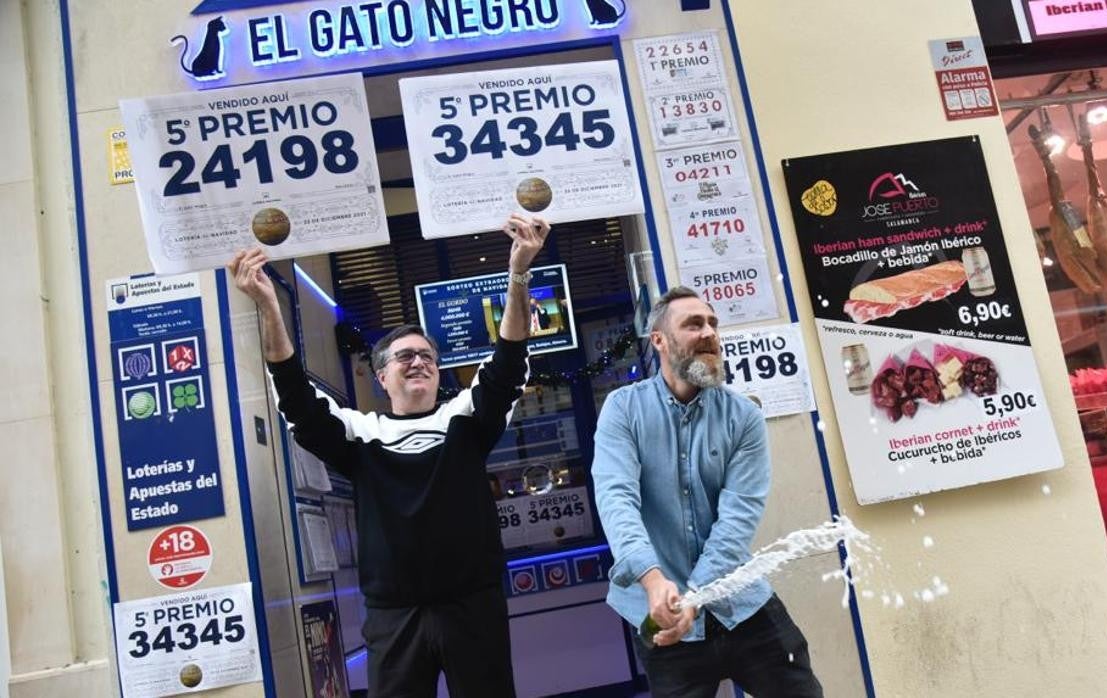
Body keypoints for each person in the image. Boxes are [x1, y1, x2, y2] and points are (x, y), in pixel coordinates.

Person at [228, 214, 551, 698]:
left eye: (427, 356)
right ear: (381, 378)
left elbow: (508, 360)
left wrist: (519, 272)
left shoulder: (467, 418)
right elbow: (295, 398)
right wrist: (269, 306)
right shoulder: (361, 433)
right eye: (404, 356)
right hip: (394, 616)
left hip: (473, 607)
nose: (418, 361)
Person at [591, 286, 823, 697]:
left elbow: (739, 518)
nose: (709, 333)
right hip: (660, 613)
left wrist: (696, 595)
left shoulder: (744, 416)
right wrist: (652, 579)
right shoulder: (623, 410)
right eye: (693, 324)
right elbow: (616, 499)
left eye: (713, 324)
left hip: (740, 601)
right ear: (658, 340)